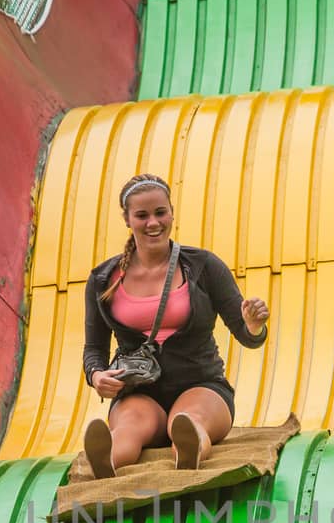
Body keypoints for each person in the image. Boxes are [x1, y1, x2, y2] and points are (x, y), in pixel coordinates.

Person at [81, 173, 271, 476]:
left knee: (188, 419)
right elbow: (94, 348)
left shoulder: (203, 266)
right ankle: (107, 460)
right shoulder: (103, 279)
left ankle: (189, 448)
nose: (153, 223)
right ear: (127, 219)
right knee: (129, 428)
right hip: (138, 392)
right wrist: (97, 375)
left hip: (202, 385)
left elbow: (248, 337)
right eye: (141, 215)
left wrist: (253, 325)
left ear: (171, 212)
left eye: (160, 213)